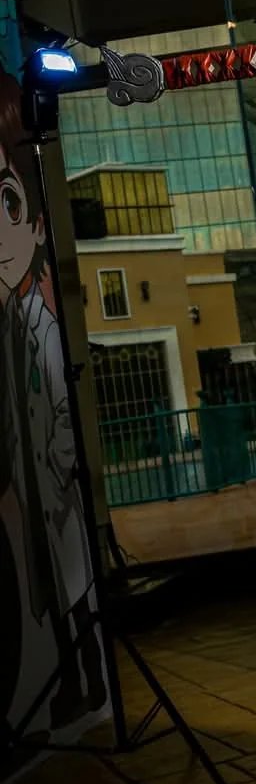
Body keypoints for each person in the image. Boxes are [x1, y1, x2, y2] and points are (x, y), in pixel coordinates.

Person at [0, 69, 104, 735]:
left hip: (52, 488)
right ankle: (73, 681)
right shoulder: (12, 326)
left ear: (35, 225)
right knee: (52, 591)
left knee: (72, 591)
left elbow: (59, 408)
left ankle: (85, 679)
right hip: (31, 489)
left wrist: (58, 460)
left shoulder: (36, 323)